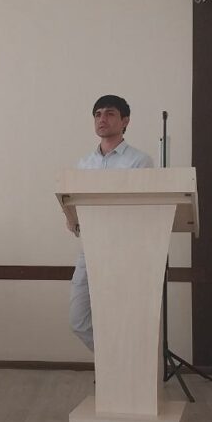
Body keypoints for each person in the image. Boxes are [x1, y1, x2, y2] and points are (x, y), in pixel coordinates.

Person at [68, 94, 154, 351]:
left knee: (122, 319)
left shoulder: (139, 161)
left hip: (125, 250)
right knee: (78, 321)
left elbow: (143, 210)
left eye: (109, 113)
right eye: (97, 114)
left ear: (125, 121)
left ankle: (123, 367)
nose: (102, 119)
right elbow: (72, 203)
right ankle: (115, 362)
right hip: (90, 247)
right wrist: (70, 217)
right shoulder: (84, 163)